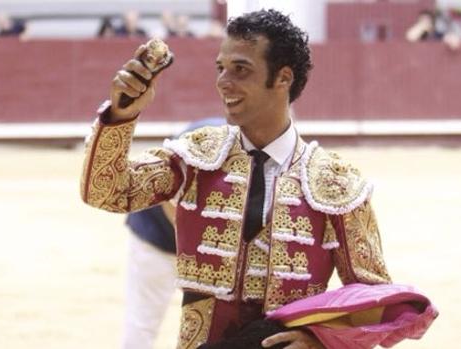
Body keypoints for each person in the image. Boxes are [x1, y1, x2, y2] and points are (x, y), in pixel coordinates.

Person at [80, 9, 391, 348]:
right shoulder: (196, 157)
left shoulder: (336, 183)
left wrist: (322, 341)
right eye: (221, 68)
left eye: (240, 69)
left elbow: (373, 299)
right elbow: (106, 192)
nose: (223, 81)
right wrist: (121, 116)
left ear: (283, 78)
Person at [121, 118, 224, 349]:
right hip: (157, 238)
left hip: (208, 251)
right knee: (142, 323)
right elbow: (169, 195)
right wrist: (191, 245)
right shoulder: (200, 139)